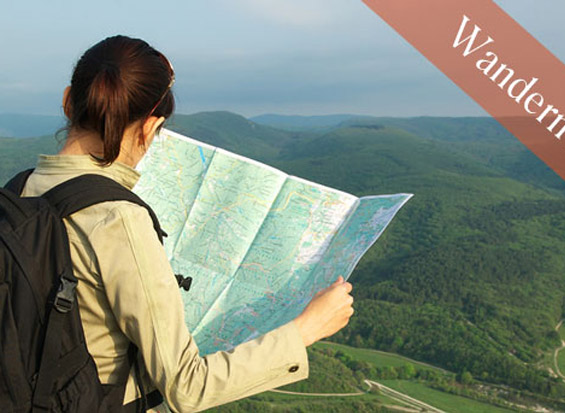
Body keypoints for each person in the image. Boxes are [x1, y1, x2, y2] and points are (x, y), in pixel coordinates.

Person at [20, 35, 355, 413]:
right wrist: (308, 328)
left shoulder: (22, 189)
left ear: (67, 101)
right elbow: (188, 387)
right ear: (151, 127)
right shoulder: (117, 220)